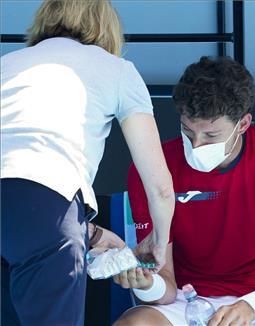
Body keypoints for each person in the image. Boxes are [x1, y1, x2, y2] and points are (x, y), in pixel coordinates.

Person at [113, 56, 255, 325]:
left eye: (211, 136)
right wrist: (145, 283)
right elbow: (164, 287)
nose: (198, 145)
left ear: (244, 124)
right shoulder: (152, 165)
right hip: (184, 301)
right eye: (188, 132)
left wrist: (253, 304)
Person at [0, 1, 174, 325]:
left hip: (33, 209)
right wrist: (158, 242)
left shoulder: (7, 63)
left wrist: (90, 233)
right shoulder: (117, 70)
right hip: (47, 205)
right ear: (106, 26)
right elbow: (161, 187)